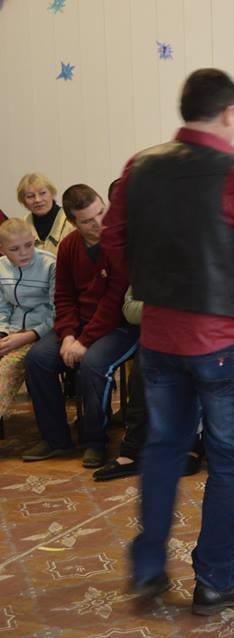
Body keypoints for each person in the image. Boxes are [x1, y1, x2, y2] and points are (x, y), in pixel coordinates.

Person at [101, 68, 234, 613]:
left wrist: (155, 286)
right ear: (229, 113)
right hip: (223, 339)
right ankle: (215, 578)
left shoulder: (139, 167)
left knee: (163, 448)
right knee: (230, 459)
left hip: (159, 334)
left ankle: (148, 566)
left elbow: (113, 239)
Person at [23, 184, 138, 469]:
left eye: (101, 213)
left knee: (93, 365)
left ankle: (95, 441)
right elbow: (63, 296)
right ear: (73, 223)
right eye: (87, 220)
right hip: (79, 326)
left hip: (119, 326)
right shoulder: (69, 246)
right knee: (37, 359)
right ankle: (56, 438)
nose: (99, 223)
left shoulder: (120, 244)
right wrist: (67, 336)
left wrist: (82, 341)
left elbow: (113, 302)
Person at [0, 219, 55, 420]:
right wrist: (3, 332)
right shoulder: (1, 268)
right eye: (14, 249)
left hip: (41, 333)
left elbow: (58, 313)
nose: (24, 253)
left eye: (29, 245)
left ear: (34, 240)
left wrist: (29, 336)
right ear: (2, 249)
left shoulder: (50, 265)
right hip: (11, 331)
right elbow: (1, 307)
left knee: (6, 369)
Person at [15, 172, 73, 254]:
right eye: (30, 196)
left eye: (42, 193)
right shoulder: (21, 227)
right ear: (24, 202)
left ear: (52, 194)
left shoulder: (71, 221)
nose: (37, 200)